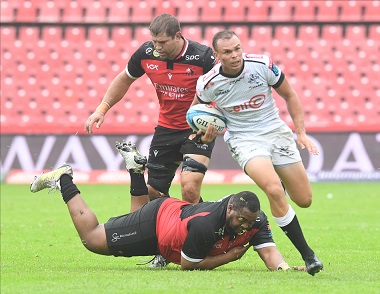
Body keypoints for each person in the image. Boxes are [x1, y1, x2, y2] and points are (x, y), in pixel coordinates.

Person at [29, 143, 307, 272]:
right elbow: (189, 265)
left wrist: (283, 268)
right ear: (230, 208)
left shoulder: (254, 219)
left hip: (169, 217)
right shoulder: (206, 224)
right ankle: (63, 178)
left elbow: (268, 250)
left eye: (249, 222)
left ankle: (136, 171)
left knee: (129, 219)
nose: (245, 226)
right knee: (92, 239)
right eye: (241, 220)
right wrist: (231, 257)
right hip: (156, 222)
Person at [192, 30, 323, 276]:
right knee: (273, 190)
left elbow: (290, 95)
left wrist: (301, 132)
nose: (235, 55)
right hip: (244, 139)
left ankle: (278, 187)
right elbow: (195, 113)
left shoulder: (262, 65)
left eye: (237, 48)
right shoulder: (208, 83)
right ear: (217, 56)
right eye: (228, 52)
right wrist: (204, 131)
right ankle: (308, 255)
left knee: (304, 200)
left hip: (275, 131)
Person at [84, 13, 218, 212]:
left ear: (178, 36)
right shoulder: (146, 53)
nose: (158, 47)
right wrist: (102, 109)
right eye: (154, 41)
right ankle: (193, 222)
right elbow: (124, 78)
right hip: (166, 129)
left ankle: (203, 235)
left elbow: (225, 87)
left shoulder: (203, 57)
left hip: (197, 128)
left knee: (189, 188)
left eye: (162, 42)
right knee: (154, 193)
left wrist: (216, 118)